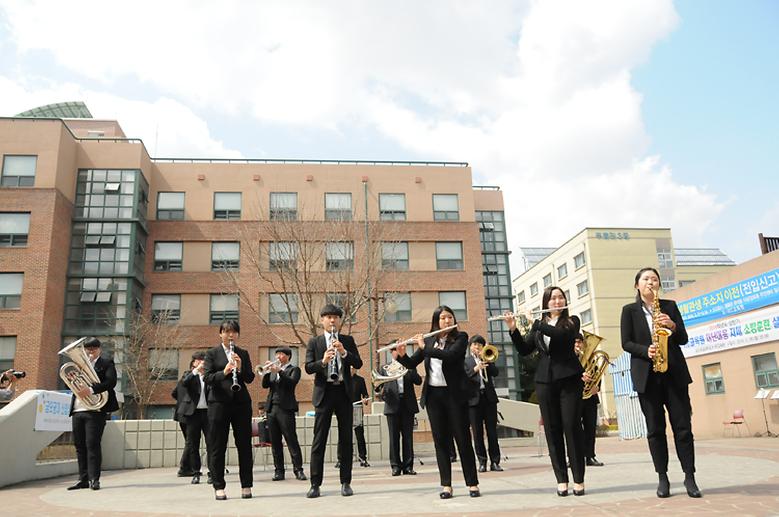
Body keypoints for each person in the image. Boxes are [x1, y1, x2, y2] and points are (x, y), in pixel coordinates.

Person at [621, 267, 701, 498]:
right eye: (646, 279)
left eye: (654, 279)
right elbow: (626, 343)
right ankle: (663, 477)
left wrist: (673, 326)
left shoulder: (670, 306)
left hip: (674, 375)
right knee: (655, 430)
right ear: (637, 285)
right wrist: (646, 350)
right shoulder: (629, 311)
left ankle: (689, 477)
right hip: (647, 376)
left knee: (683, 428)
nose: (651, 282)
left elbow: (683, 338)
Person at [504, 287, 586, 496]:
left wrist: (537, 322)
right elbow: (524, 350)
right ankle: (561, 480)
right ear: (546, 303)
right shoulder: (539, 327)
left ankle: (578, 479)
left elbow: (562, 337)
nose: (557, 301)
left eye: (560, 297)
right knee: (552, 429)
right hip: (544, 381)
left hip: (569, 379)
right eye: (553, 298)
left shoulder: (572, 321)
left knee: (571, 426)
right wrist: (513, 329)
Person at [395, 305, 481, 499]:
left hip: (455, 396)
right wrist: (401, 354)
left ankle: (472, 483)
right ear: (436, 321)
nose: (447, 321)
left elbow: (451, 357)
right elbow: (411, 364)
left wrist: (425, 348)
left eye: (450, 317)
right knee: (441, 441)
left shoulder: (461, 338)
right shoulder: (430, 340)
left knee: (463, 440)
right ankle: (446, 485)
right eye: (442, 318)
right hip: (434, 397)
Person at [304, 304, 363, 498]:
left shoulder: (347, 340)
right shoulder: (315, 342)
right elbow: (308, 368)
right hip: (324, 393)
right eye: (328, 317)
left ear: (339, 320)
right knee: (319, 440)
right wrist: (323, 361)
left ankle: (346, 482)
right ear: (321, 320)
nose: (332, 320)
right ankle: (315, 484)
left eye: (335, 317)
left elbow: (358, 363)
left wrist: (344, 352)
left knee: (346, 439)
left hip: (344, 393)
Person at [204, 320, 255, 501]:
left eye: (234, 332)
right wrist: (224, 372)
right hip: (218, 404)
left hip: (241, 404)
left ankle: (246, 485)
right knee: (218, 446)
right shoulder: (211, 353)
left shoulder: (243, 353)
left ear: (238, 334)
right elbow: (208, 377)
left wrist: (240, 368)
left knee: (244, 446)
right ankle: (219, 486)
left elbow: (250, 378)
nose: (230, 335)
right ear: (220, 334)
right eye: (226, 332)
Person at [66, 337, 119, 491]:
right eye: (87, 349)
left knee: (92, 444)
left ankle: (94, 479)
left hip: (96, 410)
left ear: (99, 349)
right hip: (78, 409)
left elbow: (111, 382)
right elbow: (69, 383)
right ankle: (83, 479)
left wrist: (90, 390)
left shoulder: (106, 363)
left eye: (93, 349)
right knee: (79, 446)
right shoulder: (78, 366)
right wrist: (71, 379)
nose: (90, 352)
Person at [261, 346, 307, 481]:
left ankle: (298, 469)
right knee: (275, 442)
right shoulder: (274, 371)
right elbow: (265, 385)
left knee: (291, 439)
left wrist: (280, 371)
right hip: (271, 409)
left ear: (288, 356)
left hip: (286, 409)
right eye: (277, 355)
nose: (278, 357)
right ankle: (279, 471)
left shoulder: (294, 369)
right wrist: (267, 372)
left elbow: (291, 383)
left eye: (281, 354)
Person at [377, 347, 422, 476]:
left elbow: (418, 381)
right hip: (392, 404)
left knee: (408, 437)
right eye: (395, 350)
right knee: (393, 437)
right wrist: (381, 394)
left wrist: (409, 367)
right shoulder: (385, 368)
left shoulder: (409, 364)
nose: (398, 352)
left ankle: (408, 466)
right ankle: (395, 466)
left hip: (407, 404)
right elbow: (378, 387)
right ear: (391, 352)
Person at [464, 335, 503, 472]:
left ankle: (495, 462)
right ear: (470, 347)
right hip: (473, 401)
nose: (477, 347)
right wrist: (476, 368)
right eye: (475, 345)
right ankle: (482, 462)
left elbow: (496, 373)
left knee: (492, 432)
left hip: (489, 399)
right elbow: (463, 378)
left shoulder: (487, 357)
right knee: (477, 433)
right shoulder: (466, 361)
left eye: (480, 345)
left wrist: (486, 360)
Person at [178, 352, 212, 485]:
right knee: (193, 444)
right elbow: (184, 383)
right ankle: (196, 472)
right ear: (193, 363)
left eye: (204, 360)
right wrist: (196, 371)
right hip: (193, 414)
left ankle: (212, 472)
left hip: (208, 413)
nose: (202, 362)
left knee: (212, 444)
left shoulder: (210, 375)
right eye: (198, 360)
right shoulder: (189, 374)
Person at [574, 333, 604, 468]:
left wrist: (596, 387)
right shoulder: (568, 360)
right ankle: (573, 457)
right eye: (575, 342)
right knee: (573, 429)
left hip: (590, 398)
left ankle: (590, 456)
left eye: (580, 342)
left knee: (590, 429)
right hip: (574, 398)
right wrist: (580, 378)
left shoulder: (590, 358)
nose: (578, 345)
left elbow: (597, 373)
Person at [335, 367, 370, 468]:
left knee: (359, 435)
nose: (351, 369)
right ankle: (340, 459)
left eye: (353, 368)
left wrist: (365, 400)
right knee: (342, 435)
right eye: (349, 367)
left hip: (357, 409)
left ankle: (363, 458)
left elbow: (366, 396)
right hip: (344, 409)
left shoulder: (360, 380)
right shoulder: (341, 379)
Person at [172, 359, 194, 478]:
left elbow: (174, 393)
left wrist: (181, 402)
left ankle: (189, 467)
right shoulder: (192, 379)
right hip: (189, 414)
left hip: (180, 415)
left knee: (189, 441)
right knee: (190, 442)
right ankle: (184, 467)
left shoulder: (181, 380)